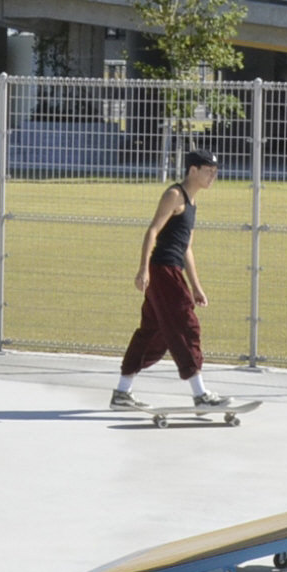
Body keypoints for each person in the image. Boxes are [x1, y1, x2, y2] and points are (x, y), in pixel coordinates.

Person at [112, 149, 234, 411]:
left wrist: (197, 287)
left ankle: (122, 393)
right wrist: (143, 270)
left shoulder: (192, 202)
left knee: (152, 334)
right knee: (186, 326)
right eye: (208, 171)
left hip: (172, 270)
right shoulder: (175, 195)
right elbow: (152, 231)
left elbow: (186, 248)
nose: (213, 176)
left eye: (215, 171)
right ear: (193, 170)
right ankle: (201, 396)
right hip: (162, 270)